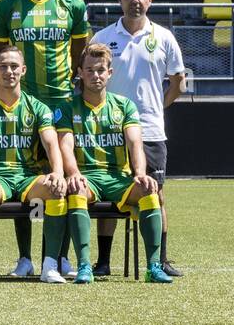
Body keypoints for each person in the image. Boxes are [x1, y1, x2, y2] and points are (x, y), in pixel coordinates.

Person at [0, 0, 89, 277]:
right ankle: (24, 256)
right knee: (25, 178)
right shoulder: (7, 8)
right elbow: (1, 56)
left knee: (56, 180)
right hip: (21, 105)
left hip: (59, 103)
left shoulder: (72, 5)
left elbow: (80, 52)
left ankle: (56, 256)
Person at [90, 0, 186, 277]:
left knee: (155, 192)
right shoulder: (103, 37)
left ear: (150, 1)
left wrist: (155, 107)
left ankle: (160, 259)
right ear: (120, 0)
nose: (136, 0)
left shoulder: (165, 37)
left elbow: (178, 82)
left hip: (150, 131)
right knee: (109, 193)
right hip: (108, 131)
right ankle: (103, 261)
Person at [53, 44, 171, 283]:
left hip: (119, 177)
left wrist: (140, 173)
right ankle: (85, 266)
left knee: (151, 190)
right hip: (87, 178)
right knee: (75, 190)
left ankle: (154, 266)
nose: (95, 75)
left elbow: (135, 143)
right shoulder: (67, 107)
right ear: (80, 73)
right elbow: (65, 146)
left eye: (100, 70)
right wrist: (73, 172)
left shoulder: (124, 106)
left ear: (110, 73)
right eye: (89, 70)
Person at [0, 45, 69, 285]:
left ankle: (50, 266)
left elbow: (50, 142)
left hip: (28, 178)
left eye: (14, 66)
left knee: (56, 188)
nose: (9, 71)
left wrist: (57, 172)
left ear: (23, 70)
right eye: (2, 66)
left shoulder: (38, 107)